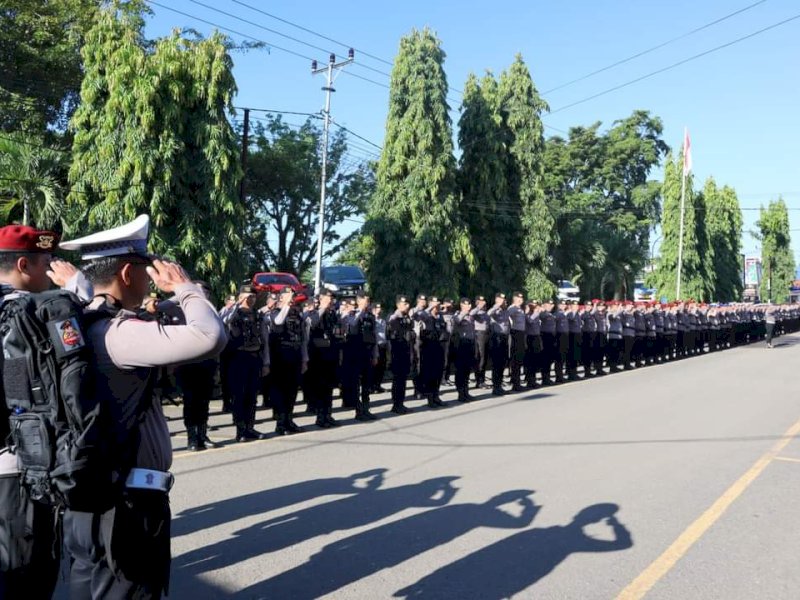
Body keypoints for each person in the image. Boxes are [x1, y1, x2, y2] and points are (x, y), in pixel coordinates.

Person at [58, 214, 227, 599]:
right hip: (127, 503)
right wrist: (186, 288)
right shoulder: (121, 333)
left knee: (90, 589)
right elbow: (209, 335)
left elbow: (87, 292)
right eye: (145, 270)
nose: (152, 279)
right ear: (127, 274)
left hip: (91, 493)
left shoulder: (84, 322)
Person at [0, 225, 73, 600]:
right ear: (24, 264)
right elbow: (23, 399)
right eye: (48, 262)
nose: (53, 271)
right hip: (19, 467)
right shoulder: (22, 314)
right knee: (26, 572)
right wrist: (79, 294)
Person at [174, 281, 221, 451]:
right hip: (188, 365)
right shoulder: (180, 312)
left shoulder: (212, 314)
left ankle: (202, 434)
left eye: (206, 292)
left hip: (207, 364)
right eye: (200, 291)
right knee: (190, 402)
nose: (203, 295)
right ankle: (192, 438)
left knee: (204, 402)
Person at [226, 284, 269, 442]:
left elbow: (264, 339)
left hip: (254, 357)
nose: (251, 299)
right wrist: (236, 304)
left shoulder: (258, 315)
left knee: (252, 395)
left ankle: (250, 427)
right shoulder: (234, 313)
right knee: (239, 394)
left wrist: (266, 362)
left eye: (253, 297)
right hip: (239, 358)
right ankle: (240, 429)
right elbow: (224, 320)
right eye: (248, 296)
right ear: (241, 297)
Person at [269, 286, 308, 435]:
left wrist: (305, 359)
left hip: (295, 355)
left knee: (292, 390)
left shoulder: (297, 314)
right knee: (281, 390)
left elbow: (303, 338)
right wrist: (286, 305)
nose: (292, 297)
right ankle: (280, 423)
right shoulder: (276, 312)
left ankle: (289, 420)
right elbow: (278, 322)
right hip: (280, 357)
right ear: (281, 297)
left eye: (293, 295)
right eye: (288, 294)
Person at [305, 290, 342, 428]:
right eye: (328, 297)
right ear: (320, 299)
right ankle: (320, 417)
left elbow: (337, 332)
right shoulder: (314, 312)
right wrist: (322, 309)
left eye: (332, 298)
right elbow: (312, 324)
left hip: (331, 354)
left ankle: (328, 414)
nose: (330, 300)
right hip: (319, 357)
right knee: (320, 388)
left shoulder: (332, 314)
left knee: (329, 387)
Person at [341, 292, 379, 421]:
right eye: (364, 300)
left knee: (367, 383)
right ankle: (358, 410)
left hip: (367, 353)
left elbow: (374, 336)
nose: (367, 303)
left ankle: (366, 408)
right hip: (355, 353)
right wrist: (360, 311)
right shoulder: (352, 314)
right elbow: (351, 325)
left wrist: (375, 354)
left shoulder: (370, 316)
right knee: (356, 383)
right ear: (358, 301)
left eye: (368, 301)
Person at [387, 295, 415, 414]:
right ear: (398, 305)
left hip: (405, 349)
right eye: (404, 304)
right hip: (397, 351)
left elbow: (410, 329)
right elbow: (391, 336)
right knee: (398, 379)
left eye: (408, 304)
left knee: (403, 378)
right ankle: (396, 404)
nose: (407, 306)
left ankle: (401, 403)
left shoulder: (406, 317)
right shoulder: (394, 318)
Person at [452, 297, 476, 402]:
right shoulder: (458, 315)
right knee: (461, 370)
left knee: (467, 369)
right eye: (467, 305)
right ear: (462, 305)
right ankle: (461, 393)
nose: (469, 306)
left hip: (470, 344)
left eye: (470, 305)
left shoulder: (470, 316)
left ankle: (466, 391)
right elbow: (455, 322)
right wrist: (463, 313)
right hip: (461, 344)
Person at [487, 293, 510, 396]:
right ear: (497, 300)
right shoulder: (495, 310)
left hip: (505, 338)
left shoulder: (506, 311)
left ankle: (499, 385)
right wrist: (497, 305)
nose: (504, 301)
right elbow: (488, 314)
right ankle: (495, 387)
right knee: (496, 363)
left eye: (504, 300)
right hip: (497, 338)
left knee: (502, 363)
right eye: (502, 300)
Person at [508, 292, 527, 393]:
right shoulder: (512, 308)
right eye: (518, 298)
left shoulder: (520, 309)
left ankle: (517, 382)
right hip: (515, 334)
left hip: (521, 335)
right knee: (515, 360)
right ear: (514, 299)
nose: (520, 300)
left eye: (521, 298)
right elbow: (507, 317)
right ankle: (515, 384)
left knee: (519, 359)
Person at [470, 295, 490, 389]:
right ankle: (479, 380)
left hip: (486, 334)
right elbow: (471, 314)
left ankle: (482, 379)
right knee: (480, 358)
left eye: (483, 301)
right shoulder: (475, 311)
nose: (483, 303)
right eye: (480, 301)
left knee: (485, 358)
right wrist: (478, 307)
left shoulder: (485, 312)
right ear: (477, 302)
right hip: (479, 334)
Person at [371, 303, 389, 393]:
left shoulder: (383, 321)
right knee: (375, 366)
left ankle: (378, 385)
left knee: (382, 366)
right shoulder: (372, 320)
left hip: (383, 345)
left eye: (380, 307)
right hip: (375, 345)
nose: (380, 309)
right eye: (378, 307)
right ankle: (372, 386)